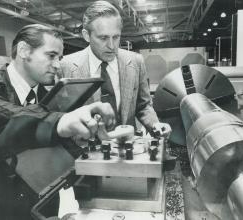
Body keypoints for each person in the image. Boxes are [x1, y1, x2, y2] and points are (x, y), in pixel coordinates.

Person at [0, 24, 115, 220]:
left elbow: (52, 152)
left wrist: (82, 141)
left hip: (42, 208)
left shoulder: (49, 98)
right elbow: (4, 117)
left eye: (59, 58)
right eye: (51, 56)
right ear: (24, 50)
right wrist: (61, 122)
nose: (57, 65)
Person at [61, 0, 171, 137]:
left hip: (127, 148)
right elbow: (61, 115)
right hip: (84, 150)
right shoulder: (65, 66)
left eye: (116, 37)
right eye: (103, 38)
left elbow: (144, 106)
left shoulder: (136, 61)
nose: (112, 46)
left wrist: (155, 125)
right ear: (86, 35)